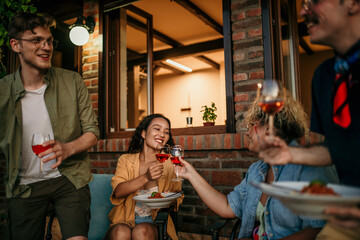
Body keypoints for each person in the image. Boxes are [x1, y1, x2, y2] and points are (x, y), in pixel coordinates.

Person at [258, 0, 360, 238]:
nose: (303, 11)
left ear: (353, 3)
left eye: (313, 1)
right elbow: (336, 150)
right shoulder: (325, 76)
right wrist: (291, 155)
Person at [177, 92, 339, 240]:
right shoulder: (257, 170)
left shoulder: (311, 167)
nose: (247, 133)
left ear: (269, 128)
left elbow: (319, 230)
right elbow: (227, 207)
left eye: (251, 125)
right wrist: (190, 173)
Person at [0, 12, 99, 239]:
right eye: (36, 40)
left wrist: (67, 149)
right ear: (15, 45)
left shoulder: (72, 81)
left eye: (48, 41)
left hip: (69, 177)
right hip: (24, 185)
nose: (46, 47)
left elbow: (93, 132)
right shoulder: (3, 91)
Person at [105, 114, 183, 240]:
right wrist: (146, 177)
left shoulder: (170, 163)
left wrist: (170, 200)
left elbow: (176, 198)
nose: (162, 134)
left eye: (166, 132)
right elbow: (118, 192)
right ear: (143, 133)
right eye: (157, 129)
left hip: (153, 221)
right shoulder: (126, 160)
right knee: (120, 233)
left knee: (142, 232)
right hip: (124, 218)